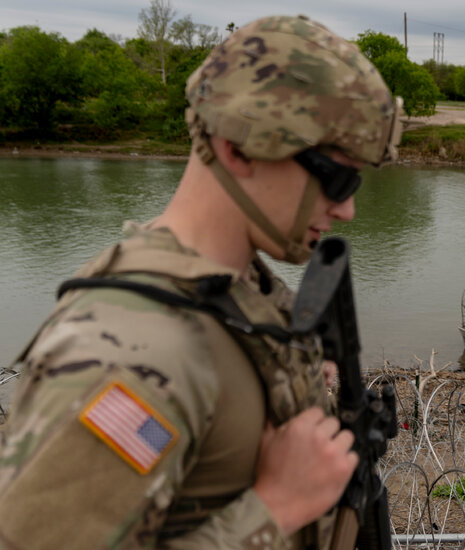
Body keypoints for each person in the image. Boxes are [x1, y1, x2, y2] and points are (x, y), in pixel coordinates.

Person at [0, 14, 401, 549]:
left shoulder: (239, 296)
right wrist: (276, 507)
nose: (348, 209)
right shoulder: (125, 355)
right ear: (239, 145)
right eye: (338, 177)